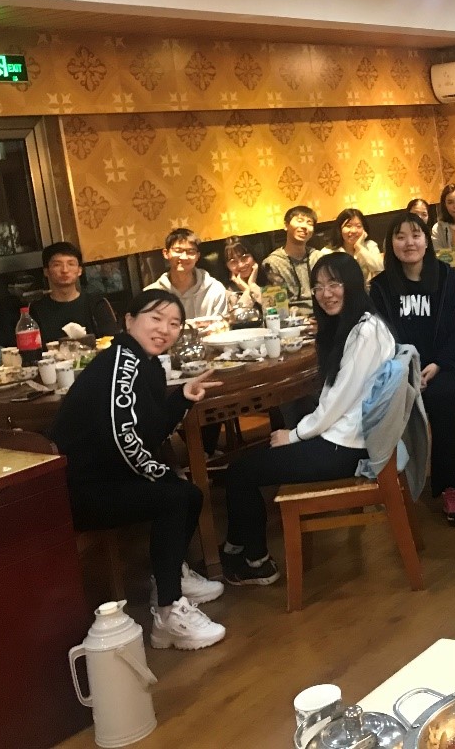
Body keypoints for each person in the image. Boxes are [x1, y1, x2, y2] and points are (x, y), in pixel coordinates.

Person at [49, 289, 226, 650]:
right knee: (175, 495)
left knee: (188, 494)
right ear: (129, 321)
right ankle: (167, 615)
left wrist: (182, 398)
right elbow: (122, 438)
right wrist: (160, 474)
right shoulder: (122, 363)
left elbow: (147, 432)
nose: (164, 329)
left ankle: (169, 577)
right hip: (79, 490)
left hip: (106, 477)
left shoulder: (145, 363)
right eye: (155, 318)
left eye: (174, 323)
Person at [220, 252, 396, 585]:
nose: (325, 293)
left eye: (334, 284)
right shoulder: (358, 326)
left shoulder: (365, 332)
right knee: (246, 466)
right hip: (348, 438)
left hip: (347, 447)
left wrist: (295, 435)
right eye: (318, 286)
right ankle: (236, 549)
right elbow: (336, 399)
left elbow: (338, 401)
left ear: (353, 284)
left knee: (240, 472)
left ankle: (254, 561)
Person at [370, 211, 455, 525]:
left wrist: (438, 364)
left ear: (426, 240)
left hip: (448, 365)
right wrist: (405, 369)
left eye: (416, 235)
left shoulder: (447, 278)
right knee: (381, 399)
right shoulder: (380, 287)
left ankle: (450, 486)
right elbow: (378, 337)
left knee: (442, 397)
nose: (409, 243)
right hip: (399, 368)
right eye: (400, 236)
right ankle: (389, 484)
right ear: (390, 243)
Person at [29, 241, 117, 343]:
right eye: (57, 265)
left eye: (71, 264)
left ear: (79, 270)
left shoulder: (97, 304)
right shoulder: (36, 310)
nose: (65, 270)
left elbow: (112, 343)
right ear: (46, 271)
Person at [146, 227, 228, 319]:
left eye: (191, 252)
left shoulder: (215, 290)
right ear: (166, 253)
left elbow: (221, 326)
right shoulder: (150, 295)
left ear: (197, 256)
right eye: (178, 251)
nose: (184, 257)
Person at [263, 205, 322, 314]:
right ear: (286, 225)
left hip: (322, 315)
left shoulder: (319, 258)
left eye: (309, 223)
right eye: (299, 221)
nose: (304, 226)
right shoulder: (272, 263)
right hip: (290, 319)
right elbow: (274, 307)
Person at [323, 207, 384, 286]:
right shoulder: (328, 252)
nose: (354, 231)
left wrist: (359, 247)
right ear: (339, 229)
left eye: (358, 226)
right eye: (348, 226)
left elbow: (380, 268)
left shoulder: (370, 246)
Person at [223, 237, 263, 309]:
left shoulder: (269, 279)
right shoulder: (226, 294)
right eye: (233, 261)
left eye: (244, 257)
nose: (240, 265)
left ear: (253, 256)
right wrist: (247, 290)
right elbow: (238, 315)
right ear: (226, 266)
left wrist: (252, 285)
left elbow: (274, 309)